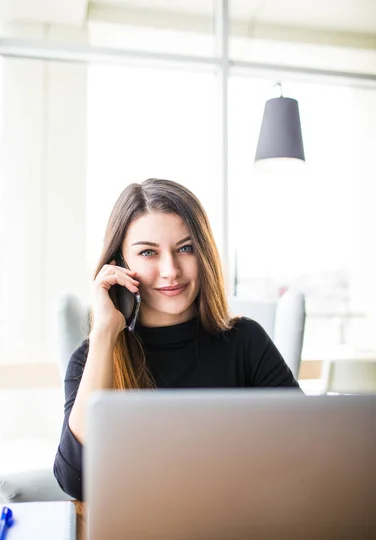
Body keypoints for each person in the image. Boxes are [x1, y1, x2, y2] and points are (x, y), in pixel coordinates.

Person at [53, 178, 301, 500]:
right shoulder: (92, 358)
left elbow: (303, 447)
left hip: (240, 531)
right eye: (148, 253)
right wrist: (103, 334)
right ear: (118, 266)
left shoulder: (245, 342)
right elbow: (76, 481)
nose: (171, 270)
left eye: (185, 248)